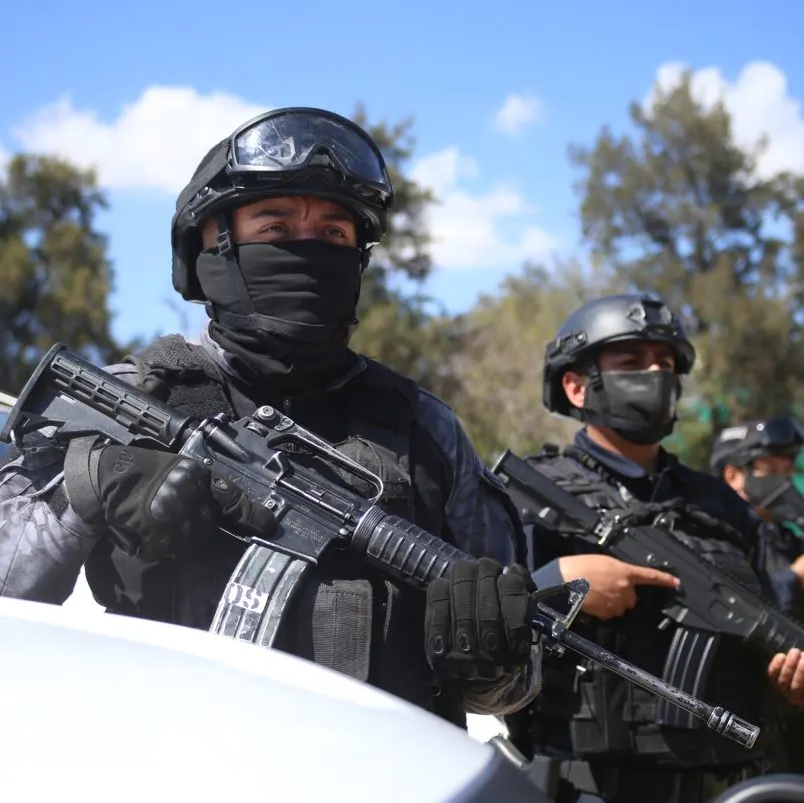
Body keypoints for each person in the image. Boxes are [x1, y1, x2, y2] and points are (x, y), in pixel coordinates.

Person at [0, 107, 540, 722]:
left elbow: (512, 692)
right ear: (208, 247)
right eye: (276, 228)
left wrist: (490, 660)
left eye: (334, 234)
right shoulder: (131, 398)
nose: (308, 250)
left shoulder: (426, 430)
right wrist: (93, 483)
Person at [505, 293, 804, 803]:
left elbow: (770, 618)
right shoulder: (528, 493)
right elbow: (476, 621)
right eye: (631, 362)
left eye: (665, 363)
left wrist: (786, 680)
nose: (655, 374)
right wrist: (559, 584)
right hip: (591, 788)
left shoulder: (720, 505)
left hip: (736, 785)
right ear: (576, 386)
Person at [710, 417, 804, 616]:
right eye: (772, 471)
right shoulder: (714, 535)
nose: (783, 482)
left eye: (787, 472)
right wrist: (794, 578)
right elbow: (730, 606)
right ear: (733, 475)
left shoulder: (779, 535)